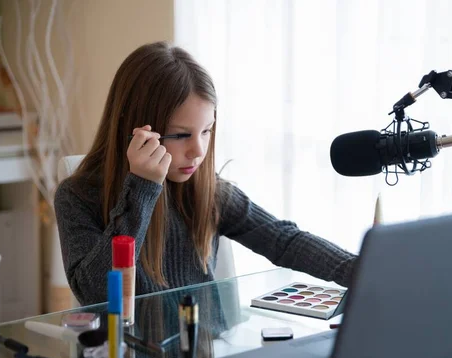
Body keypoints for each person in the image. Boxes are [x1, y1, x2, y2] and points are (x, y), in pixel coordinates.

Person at [54, 41, 357, 306]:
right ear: (135, 131)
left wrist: (362, 270)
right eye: (181, 135)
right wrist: (142, 190)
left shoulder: (208, 191)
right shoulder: (77, 197)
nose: (198, 151)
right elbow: (96, 294)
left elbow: (283, 241)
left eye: (206, 131)